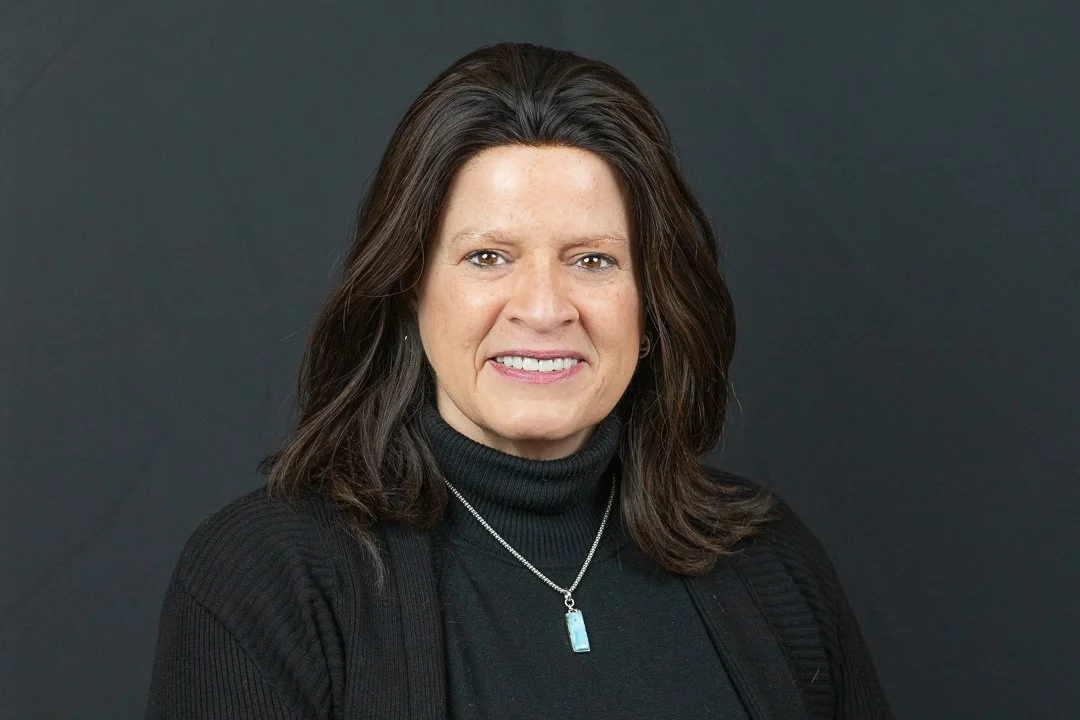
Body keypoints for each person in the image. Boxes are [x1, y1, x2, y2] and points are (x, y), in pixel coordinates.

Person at [145, 42, 892, 719]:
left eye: (592, 260)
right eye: (488, 257)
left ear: (653, 302)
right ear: (409, 287)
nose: (542, 308)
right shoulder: (265, 582)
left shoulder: (770, 563)